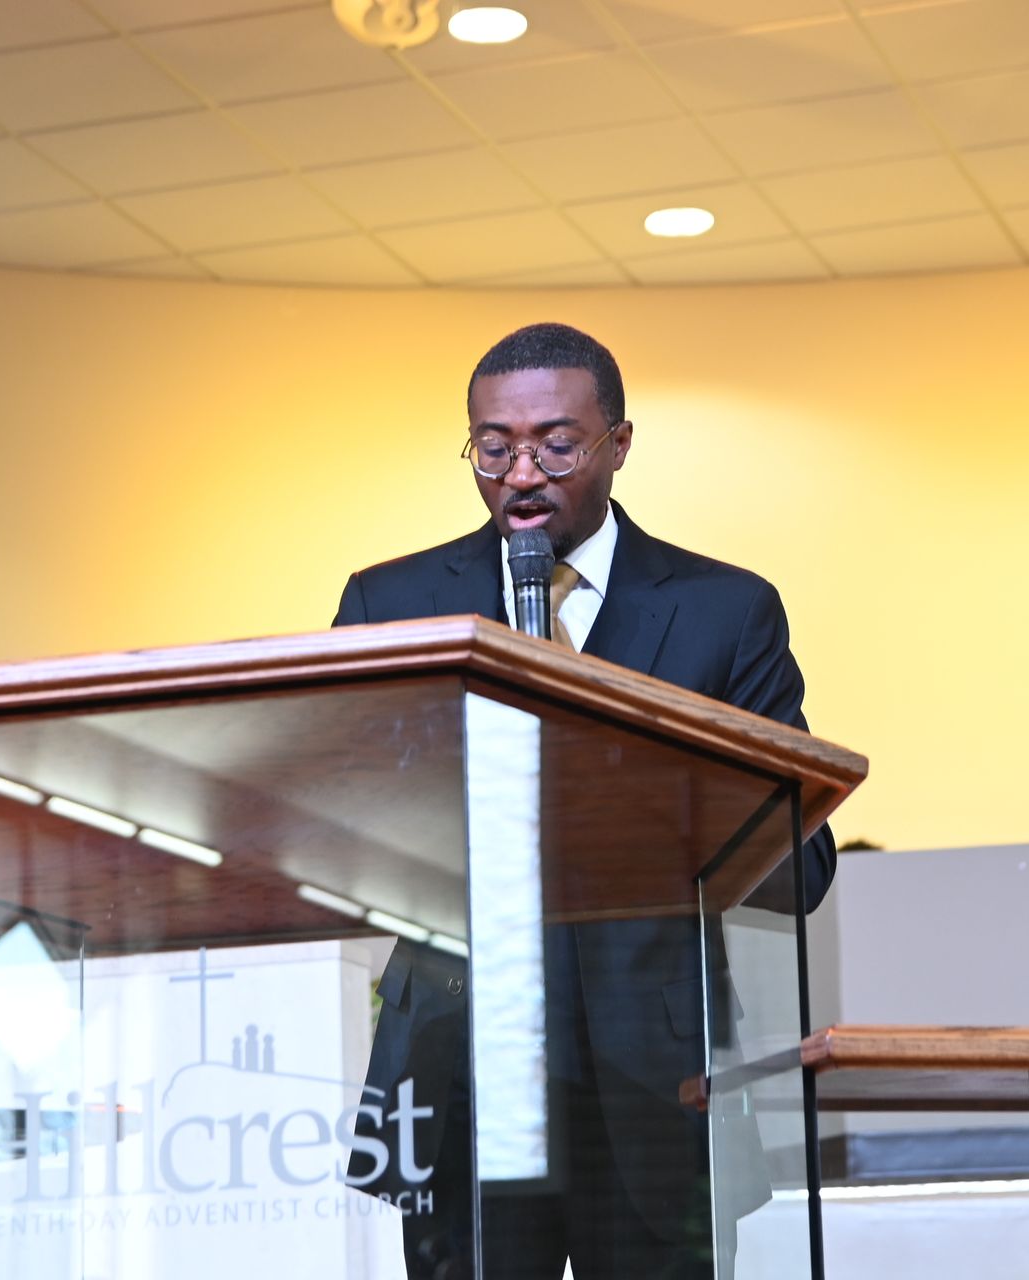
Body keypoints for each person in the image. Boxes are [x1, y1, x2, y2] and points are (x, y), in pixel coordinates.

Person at [332, 323, 836, 1279]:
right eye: (493, 448)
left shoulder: (725, 610)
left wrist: (629, 785)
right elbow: (343, 830)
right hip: (459, 1064)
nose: (522, 475)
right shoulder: (389, 604)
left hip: (658, 1082)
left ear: (619, 442)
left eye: (557, 446)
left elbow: (800, 863)